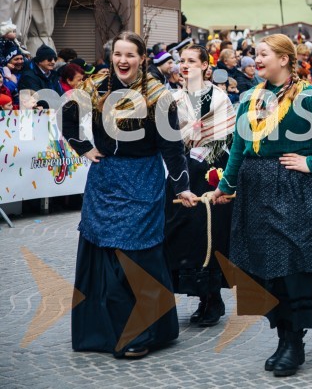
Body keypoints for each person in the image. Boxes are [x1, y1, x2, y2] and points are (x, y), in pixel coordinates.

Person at [211, 34, 312, 377]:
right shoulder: (251, 97)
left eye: (263, 54)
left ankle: (295, 341)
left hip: (293, 189)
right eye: (255, 54)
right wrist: (226, 186)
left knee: (291, 265)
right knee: (266, 269)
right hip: (254, 190)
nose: (256, 60)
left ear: (284, 59)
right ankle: (283, 336)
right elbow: (240, 148)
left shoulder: (310, 96)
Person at [61, 31, 198, 359]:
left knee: (135, 256)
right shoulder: (95, 86)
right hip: (105, 180)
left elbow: (173, 148)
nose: (123, 60)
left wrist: (182, 187)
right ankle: (99, 332)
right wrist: (83, 147)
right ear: (112, 57)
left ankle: (140, 332)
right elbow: (66, 117)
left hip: (142, 181)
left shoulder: (157, 95)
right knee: (104, 253)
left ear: (142, 59)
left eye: (130, 55)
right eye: (118, 54)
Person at [164, 45, 236, 328]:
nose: (185, 66)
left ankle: (211, 296)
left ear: (206, 65)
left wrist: (196, 155)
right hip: (179, 169)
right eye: (182, 61)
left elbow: (224, 137)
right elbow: (169, 134)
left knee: (205, 233)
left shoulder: (218, 98)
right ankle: (192, 292)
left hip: (207, 170)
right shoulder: (172, 97)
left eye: (192, 61)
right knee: (178, 229)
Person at [18, 44, 63, 108]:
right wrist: (59, 103)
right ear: (40, 61)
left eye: (55, 59)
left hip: (55, 110)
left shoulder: (54, 74)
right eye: (49, 59)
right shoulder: (28, 77)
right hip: (39, 113)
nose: (53, 62)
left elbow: (61, 94)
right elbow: (39, 99)